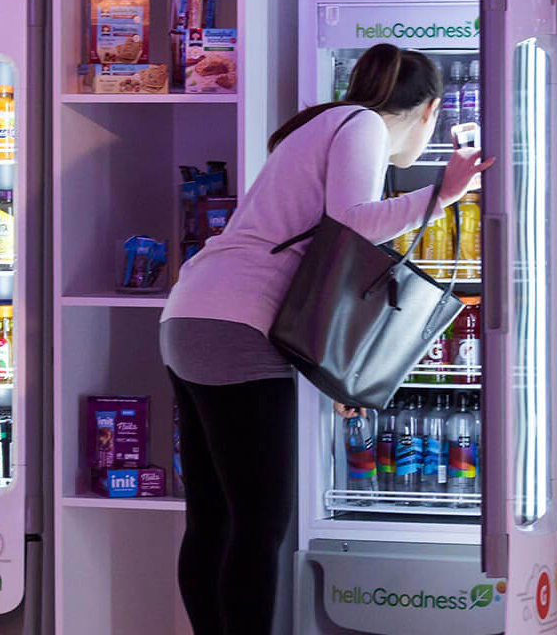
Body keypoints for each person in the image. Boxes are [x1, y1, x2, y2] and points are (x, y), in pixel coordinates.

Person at [159, 43, 494, 635]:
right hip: (235, 324)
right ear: (429, 110)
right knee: (260, 523)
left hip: (193, 314)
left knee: (213, 516)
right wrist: (443, 193)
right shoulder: (360, 123)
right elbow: (353, 222)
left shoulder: (323, 123)